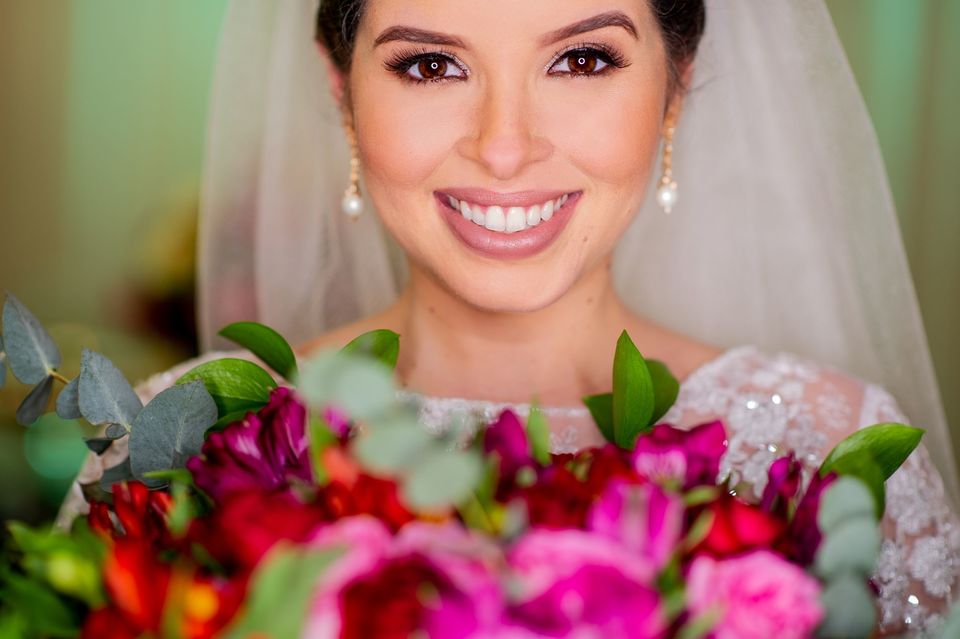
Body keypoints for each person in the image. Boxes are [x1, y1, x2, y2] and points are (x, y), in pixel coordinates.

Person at [61, 0, 960, 635]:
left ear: (676, 86)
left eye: (581, 60)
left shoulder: (830, 452)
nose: (503, 146)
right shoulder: (169, 449)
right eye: (429, 65)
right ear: (341, 92)